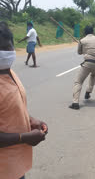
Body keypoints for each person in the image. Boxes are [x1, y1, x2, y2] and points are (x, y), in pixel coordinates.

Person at [0, 21, 48, 179]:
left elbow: (12, 108)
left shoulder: (10, 73)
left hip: (16, 165)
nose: (4, 52)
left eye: (5, 47)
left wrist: (31, 120)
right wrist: (24, 137)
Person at [69, 26, 95, 110]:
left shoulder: (82, 40)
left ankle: (75, 103)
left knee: (78, 82)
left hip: (89, 63)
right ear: (93, 32)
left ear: (85, 32)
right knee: (93, 76)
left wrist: (80, 44)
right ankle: (88, 92)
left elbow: (79, 52)